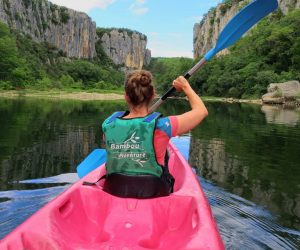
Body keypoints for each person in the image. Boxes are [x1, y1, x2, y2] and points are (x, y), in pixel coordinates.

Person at [101, 70, 208, 198]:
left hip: (114, 190)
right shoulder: (162, 126)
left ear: (126, 96)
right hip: (153, 193)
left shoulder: (108, 123)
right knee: (165, 153)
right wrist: (185, 86)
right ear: (152, 95)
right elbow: (201, 111)